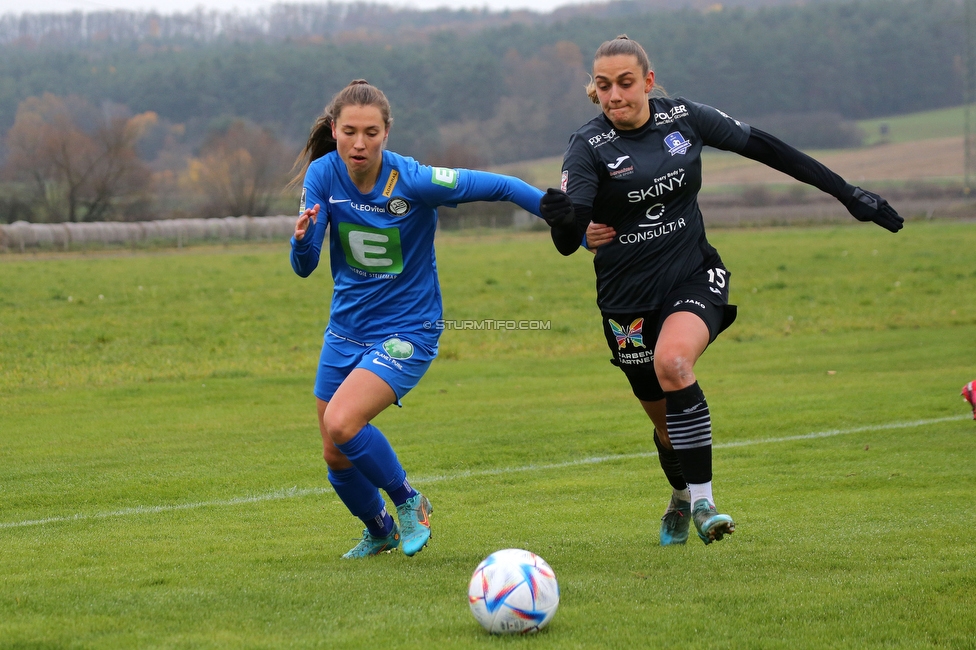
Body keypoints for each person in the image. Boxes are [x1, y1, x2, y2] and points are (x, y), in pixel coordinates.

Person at [540, 36, 903, 546]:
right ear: (593, 91)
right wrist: (567, 226)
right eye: (603, 86)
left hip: (693, 274)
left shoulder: (684, 118)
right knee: (666, 428)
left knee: (674, 364)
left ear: (648, 81)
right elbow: (569, 234)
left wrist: (847, 193)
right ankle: (683, 494)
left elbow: (769, 148)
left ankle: (706, 501)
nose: (614, 95)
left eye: (625, 83)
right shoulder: (587, 146)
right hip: (626, 298)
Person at [291, 80, 551, 558]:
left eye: (371, 132)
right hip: (345, 330)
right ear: (334, 129)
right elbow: (305, 265)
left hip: (407, 330)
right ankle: (380, 529)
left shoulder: (413, 179)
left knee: (344, 422)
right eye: (349, 131)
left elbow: (501, 186)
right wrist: (302, 239)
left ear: (388, 132)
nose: (360, 143)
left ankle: (410, 503)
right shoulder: (324, 174)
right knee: (333, 450)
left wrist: (560, 216)